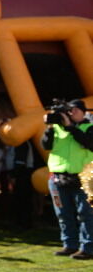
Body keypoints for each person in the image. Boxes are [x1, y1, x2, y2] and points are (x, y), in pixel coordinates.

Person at [42, 99, 93, 260]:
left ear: (84, 112)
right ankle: (69, 245)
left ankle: (87, 247)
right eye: (68, 111)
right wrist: (49, 127)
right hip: (58, 178)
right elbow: (45, 145)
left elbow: (89, 143)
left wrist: (70, 127)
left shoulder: (89, 127)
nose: (71, 113)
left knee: (86, 214)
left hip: (84, 178)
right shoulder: (57, 128)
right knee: (63, 213)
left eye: (75, 110)